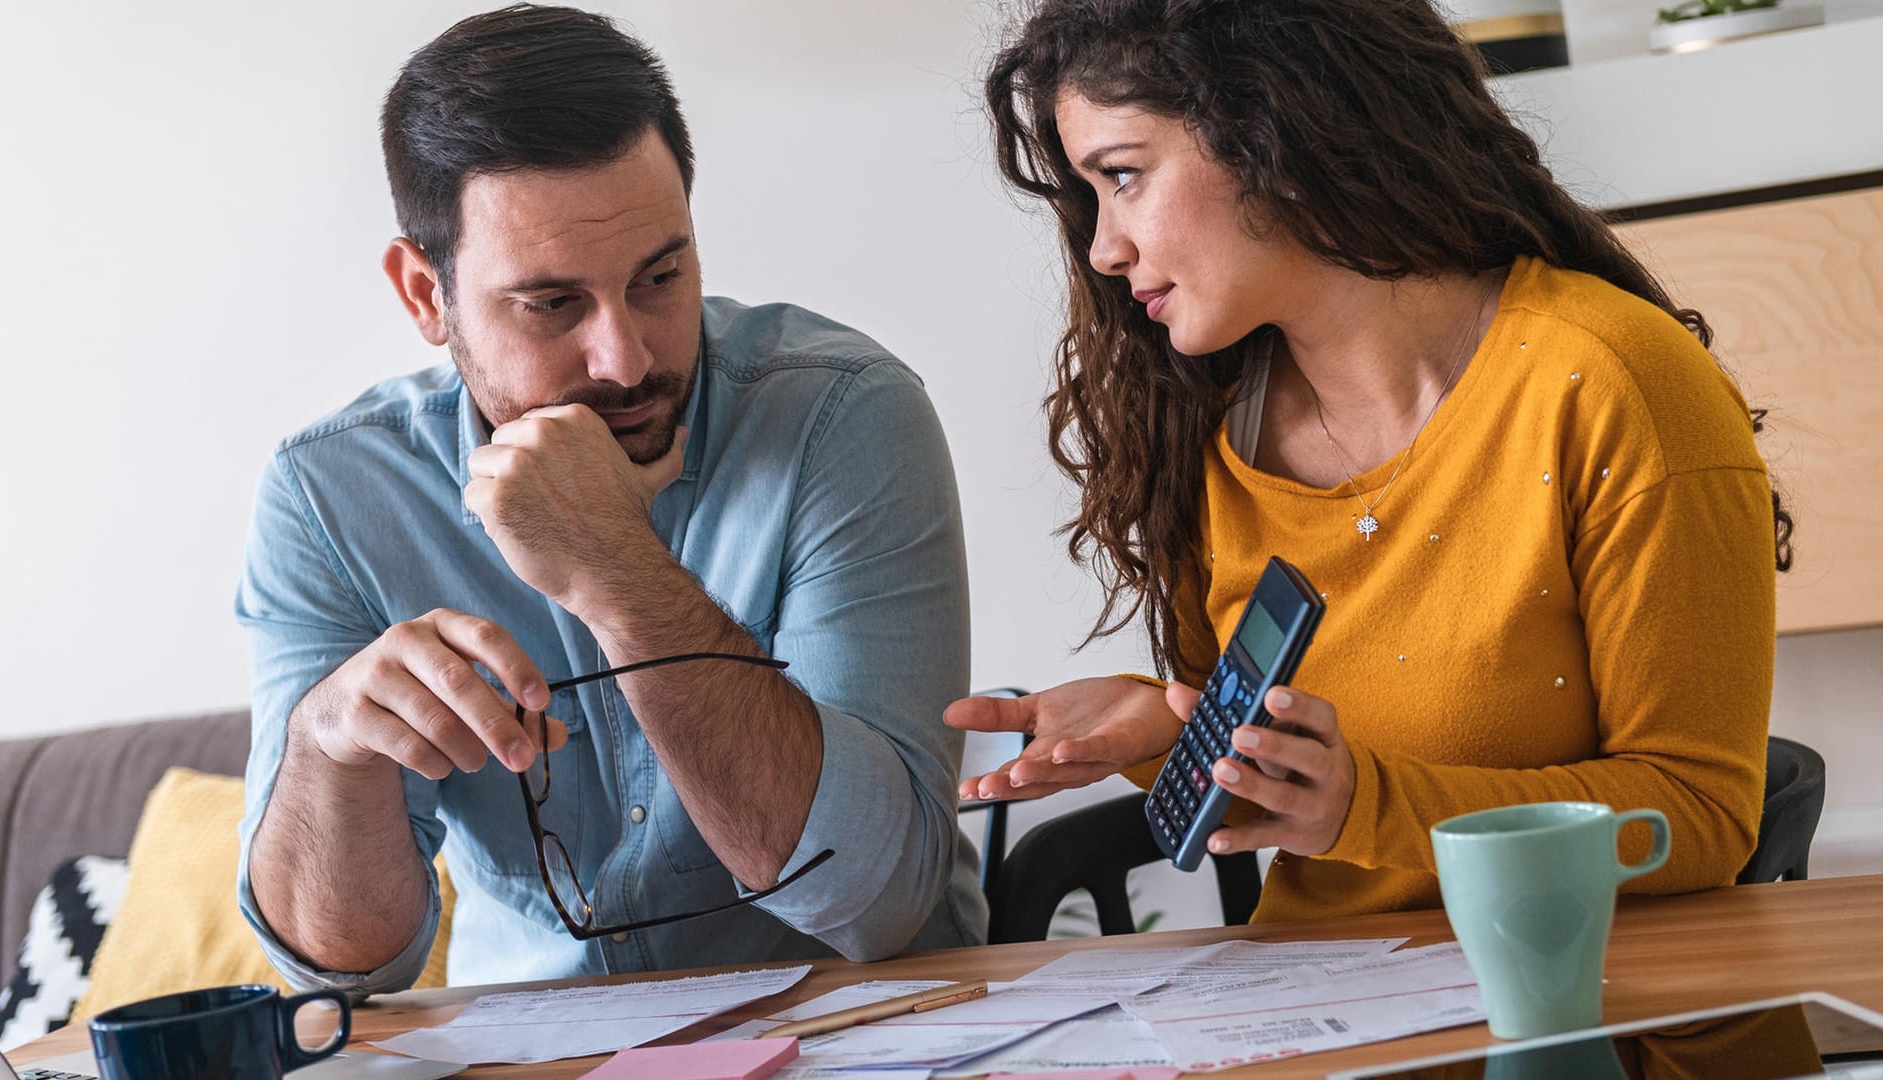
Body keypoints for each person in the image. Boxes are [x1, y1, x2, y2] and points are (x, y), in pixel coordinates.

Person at [949, 0, 1792, 924]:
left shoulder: (1612, 386)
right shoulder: (1208, 433)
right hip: (1327, 1022)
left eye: (1124, 176)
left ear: (1275, 128)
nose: (1106, 247)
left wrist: (1368, 807)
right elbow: (1285, 783)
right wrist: (1174, 725)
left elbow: (1702, 815)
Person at [236, 4, 982, 997]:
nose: (625, 358)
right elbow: (340, 975)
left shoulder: (842, 420)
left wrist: (615, 570)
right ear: (425, 294)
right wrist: (331, 747)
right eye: (552, 304)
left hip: (869, 1033)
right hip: (534, 1055)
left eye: (659, 277)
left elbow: (873, 904)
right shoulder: (332, 498)